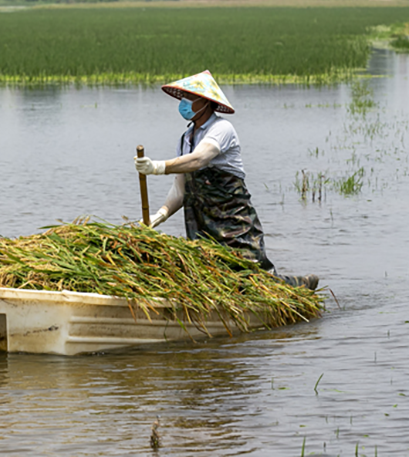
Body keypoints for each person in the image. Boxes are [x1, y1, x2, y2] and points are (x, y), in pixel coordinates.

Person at [134, 70, 318, 291]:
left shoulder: (221, 129)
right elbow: (180, 189)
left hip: (232, 219)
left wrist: (157, 167)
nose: (184, 103)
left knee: (254, 278)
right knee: (210, 276)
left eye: (190, 98)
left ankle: (301, 286)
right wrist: (160, 215)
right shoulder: (185, 139)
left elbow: (199, 159)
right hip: (201, 222)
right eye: (183, 97)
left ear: (206, 102)